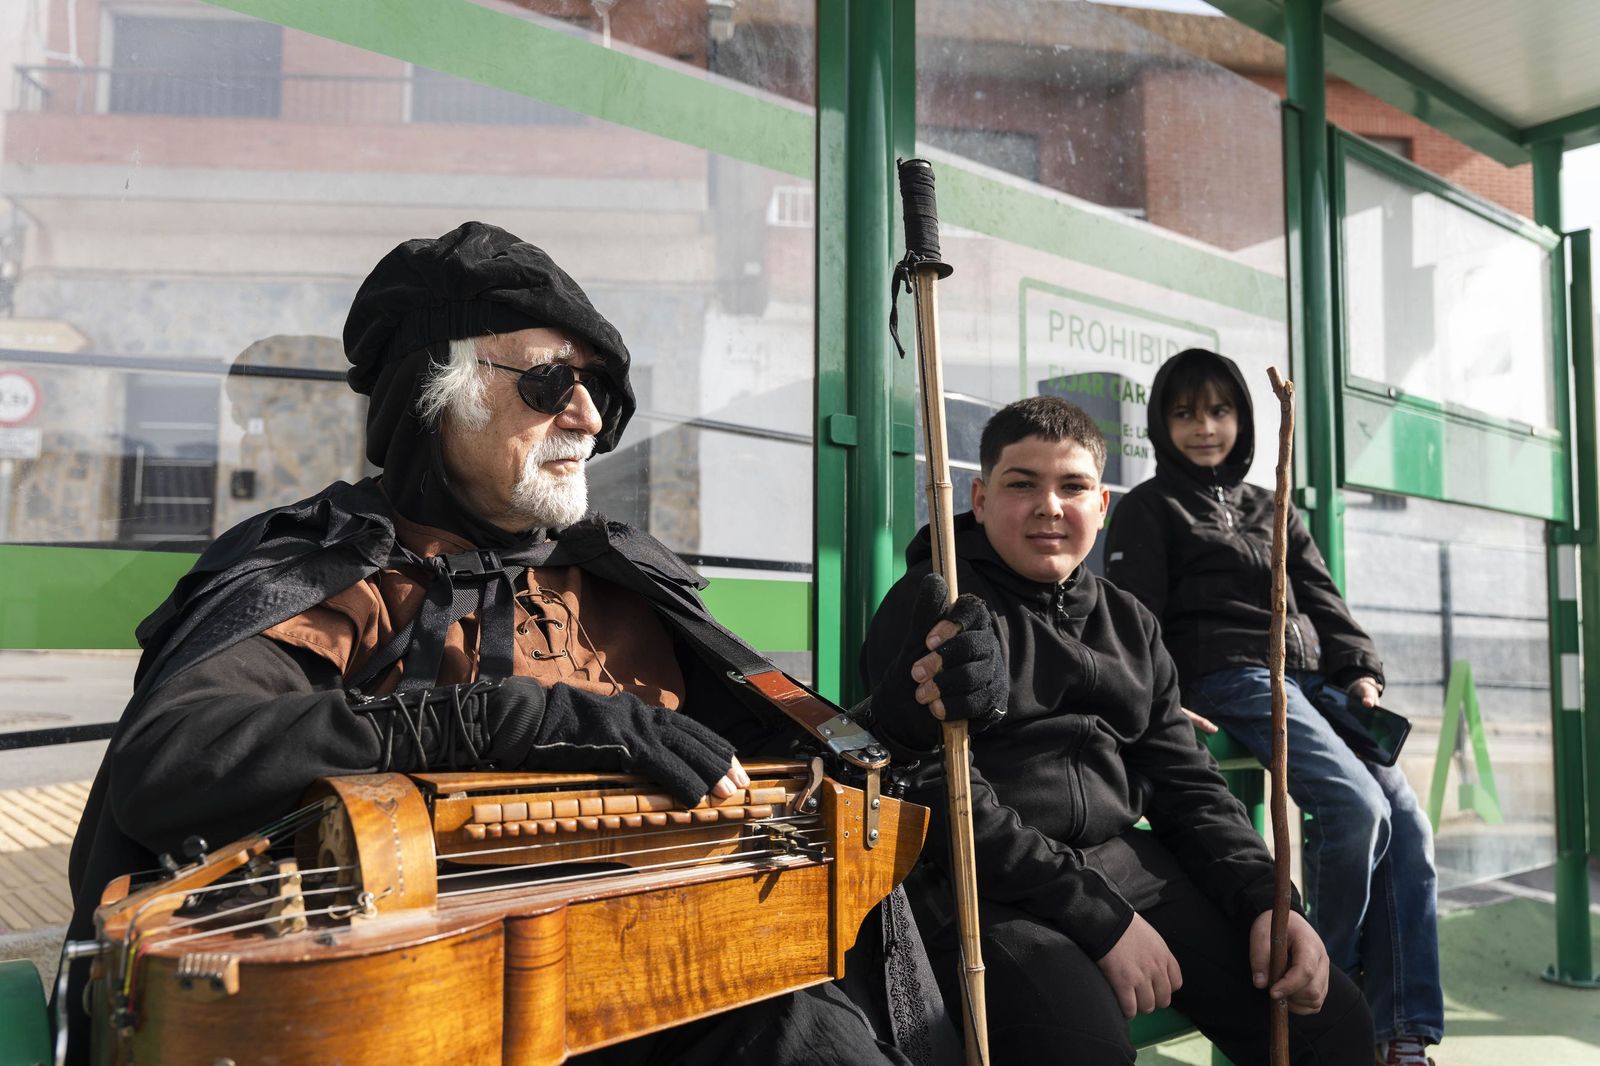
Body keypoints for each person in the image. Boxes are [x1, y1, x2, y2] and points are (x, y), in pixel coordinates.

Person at [62, 221, 973, 1066]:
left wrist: (907, 710)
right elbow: (170, 762)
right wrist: (498, 719)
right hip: (420, 1012)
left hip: (668, 984)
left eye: (597, 390)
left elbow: (769, 777)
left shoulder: (623, 577)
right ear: (436, 395)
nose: (584, 417)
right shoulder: (331, 569)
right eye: (546, 384)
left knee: (810, 1034)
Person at [861, 395, 1375, 1066]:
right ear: (980, 500)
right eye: (1023, 484)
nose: (1050, 505)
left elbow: (1189, 784)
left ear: (1101, 507)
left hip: (1122, 863)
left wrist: (1267, 900)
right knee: (1077, 1046)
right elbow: (935, 786)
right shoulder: (938, 606)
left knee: (1330, 1018)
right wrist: (1098, 919)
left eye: (1072, 487)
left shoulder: (1130, 622)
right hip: (978, 882)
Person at [1103, 347, 1443, 1066]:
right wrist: (1156, 700)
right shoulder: (1149, 507)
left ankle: (1400, 1030)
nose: (1205, 427)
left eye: (1220, 411)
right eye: (1185, 412)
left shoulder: (1270, 503)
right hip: (1230, 676)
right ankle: (1328, 978)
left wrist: (1359, 668)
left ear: (1244, 419)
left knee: (1407, 821)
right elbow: (1134, 621)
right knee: (1356, 810)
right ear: (1162, 424)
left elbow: (1321, 595)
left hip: (1309, 682)